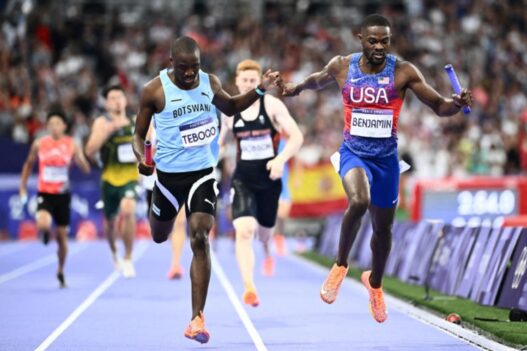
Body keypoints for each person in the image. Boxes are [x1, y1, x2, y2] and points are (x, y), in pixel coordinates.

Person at [279, 14, 472, 323]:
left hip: (386, 161)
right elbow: (317, 79)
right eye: (373, 41)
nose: (380, 46)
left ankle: (376, 284)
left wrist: (457, 104)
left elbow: (438, 106)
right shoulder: (343, 65)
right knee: (359, 201)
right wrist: (295, 88)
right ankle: (340, 266)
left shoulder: (404, 72)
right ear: (360, 39)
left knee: (383, 230)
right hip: (353, 153)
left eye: (385, 41)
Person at [132, 36, 279, 344]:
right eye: (184, 68)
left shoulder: (208, 83)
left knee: (200, 235)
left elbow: (232, 106)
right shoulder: (154, 91)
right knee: (159, 235)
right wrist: (141, 160)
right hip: (168, 179)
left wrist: (261, 89)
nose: (190, 74)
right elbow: (138, 135)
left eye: (195, 67)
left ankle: (196, 318)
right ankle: (159, 215)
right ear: (171, 64)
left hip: (202, 172)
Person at [218, 59, 303, 307]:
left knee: (265, 234)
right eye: (244, 80)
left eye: (253, 81)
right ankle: (249, 287)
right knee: (244, 231)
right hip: (243, 178)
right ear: (236, 81)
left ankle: (267, 247)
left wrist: (281, 159)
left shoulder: (273, 106)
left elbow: (297, 136)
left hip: (270, 180)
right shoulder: (229, 111)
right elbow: (220, 142)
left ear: (259, 82)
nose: (247, 85)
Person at [19, 111, 91, 288]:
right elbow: (28, 165)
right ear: (47, 126)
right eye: (51, 123)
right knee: (43, 224)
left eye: (58, 123)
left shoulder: (72, 144)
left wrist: (80, 160)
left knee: (62, 239)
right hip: (45, 193)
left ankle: (60, 270)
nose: (54, 126)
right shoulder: (39, 144)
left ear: (64, 126)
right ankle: (44, 233)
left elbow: (86, 169)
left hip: (63, 196)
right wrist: (22, 187)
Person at [85, 85, 139, 279]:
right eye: (112, 98)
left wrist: (147, 157)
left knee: (129, 208)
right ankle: (114, 250)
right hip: (109, 179)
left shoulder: (135, 121)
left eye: (119, 97)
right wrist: (106, 132)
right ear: (107, 104)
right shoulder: (101, 123)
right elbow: (89, 151)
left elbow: (150, 147)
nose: (116, 100)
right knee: (110, 223)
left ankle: (128, 257)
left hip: (130, 178)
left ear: (125, 100)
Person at [141, 123, 186, 280]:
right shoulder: (149, 122)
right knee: (159, 232)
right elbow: (141, 149)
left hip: (176, 178)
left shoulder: (180, 117)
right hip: (153, 182)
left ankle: (175, 264)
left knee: (180, 223)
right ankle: (167, 235)